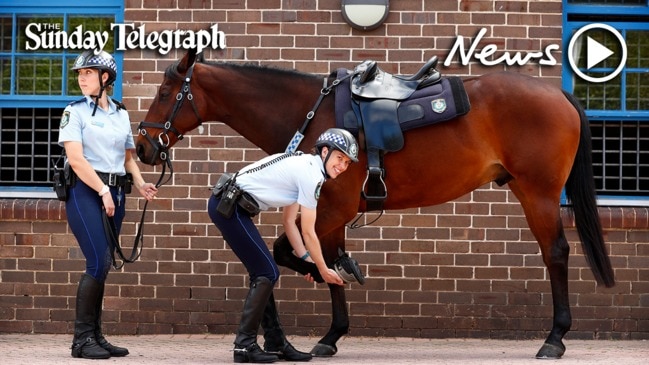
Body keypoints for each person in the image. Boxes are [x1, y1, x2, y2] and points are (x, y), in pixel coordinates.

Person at [208, 128, 359, 363]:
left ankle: (275, 342)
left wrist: (306, 260)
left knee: (264, 273)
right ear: (325, 151)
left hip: (231, 206)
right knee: (267, 272)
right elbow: (308, 231)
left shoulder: (306, 165)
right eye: (340, 158)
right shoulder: (311, 175)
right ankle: (244, 345)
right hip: (229, 207)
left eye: (348, 162)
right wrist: (322, 268)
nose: (343, 166)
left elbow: (290, 222)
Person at [58, 50, 159, 359]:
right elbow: (75, 159)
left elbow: (128, 158)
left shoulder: (119, 112)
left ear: (105, 78)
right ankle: (81, 340)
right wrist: (102, 190)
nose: (80, 78)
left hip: (116, 193)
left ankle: (96, 336)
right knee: (98, 262)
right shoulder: (74, 112)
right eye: (79, 73)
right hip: (86, 191)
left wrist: (141, 184)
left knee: (104, 263)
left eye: (87, 72)